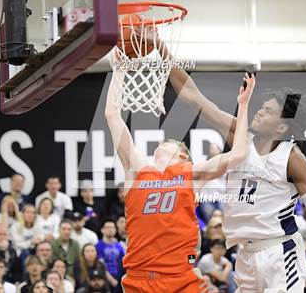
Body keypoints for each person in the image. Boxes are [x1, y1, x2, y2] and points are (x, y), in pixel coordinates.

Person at [166, 44, 306, 292]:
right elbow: (194, 98)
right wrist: (161, 50)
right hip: (244, 255)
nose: (259, 112)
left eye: (267, 112)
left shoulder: (292, 158)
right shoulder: (240, 136)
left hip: (279, 251)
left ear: (281, 128)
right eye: (261, 107)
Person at [105, 57, 253, 292]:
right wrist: (119, 71)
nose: (161, 143)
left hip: (180, 279)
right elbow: (112, 115)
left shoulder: (191, 174)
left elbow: (239, 153)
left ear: (184, 156)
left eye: (169, 143)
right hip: (138, 279)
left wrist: (243, 107)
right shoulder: (137, 170)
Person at [95, 219, 124, 291]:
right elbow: (101, 265)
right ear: (102, 230)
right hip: (104, 278)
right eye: (107, 227)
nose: (110, 229)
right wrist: (112, 281)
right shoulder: (98, 246)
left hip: (119, 277)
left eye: (112, 227)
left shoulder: (119, 246)